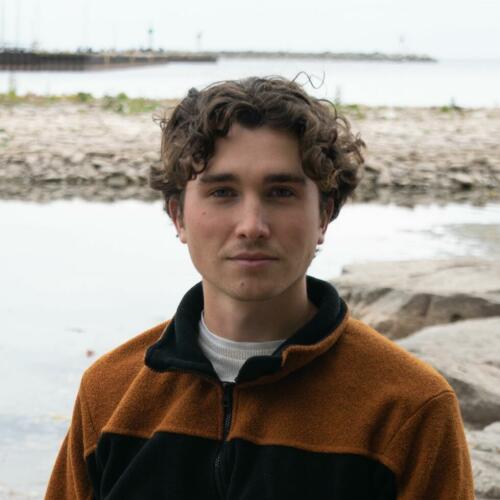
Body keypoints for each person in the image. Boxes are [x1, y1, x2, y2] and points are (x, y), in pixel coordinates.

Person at [46, 77, 474, 499]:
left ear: (324, 215)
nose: (252, 226)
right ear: (178, 215)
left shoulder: (409, 406)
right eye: (223, 192)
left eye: (281, 192)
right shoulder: (110, 393)